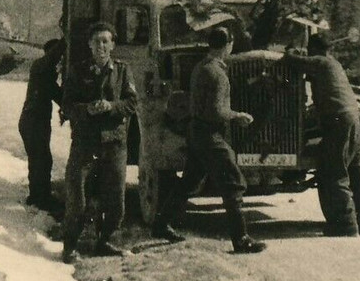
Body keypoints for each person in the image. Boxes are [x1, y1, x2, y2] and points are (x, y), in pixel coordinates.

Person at [151, 26, 267, 254]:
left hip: (197, 131)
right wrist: (238, 116)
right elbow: (216, 111)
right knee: (233, 182)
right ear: (228, 45)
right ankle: (241, 239)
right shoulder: (217, 74)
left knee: (190, 182)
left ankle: (160, 224)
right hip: (210, 134)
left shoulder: (201, 67)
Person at [279, 32, 360, 236]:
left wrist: (291, 50)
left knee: (333, 171)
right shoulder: (334, 63)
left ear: (313, 49)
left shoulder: (321, 63)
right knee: (358, 172)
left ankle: (345, 225)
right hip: (356, 119)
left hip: (339, 121)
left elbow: (291, 60)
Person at [60, 22, 138, 264]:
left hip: (114, 143)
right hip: (85, 143)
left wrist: (112, 107)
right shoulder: (77, 71)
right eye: (97, 41)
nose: (101, 46)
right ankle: (70, 247)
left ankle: (106, 242)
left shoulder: (123, 71)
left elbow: (132, 102)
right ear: (89, 45)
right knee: (77, 197)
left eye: (106, 41)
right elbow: (67, 105)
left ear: (113, 45)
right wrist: (88, 109)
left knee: (115, 198)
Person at [18, 38, 64, 210]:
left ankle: (35, 196)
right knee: (42, 159)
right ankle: (41, 198)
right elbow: (52, 57)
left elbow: (59, 96)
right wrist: (67, 39)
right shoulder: (39, 66)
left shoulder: (46, 77)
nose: (59, 62)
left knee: (38, 159)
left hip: (33, 121)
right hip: (33, 121)